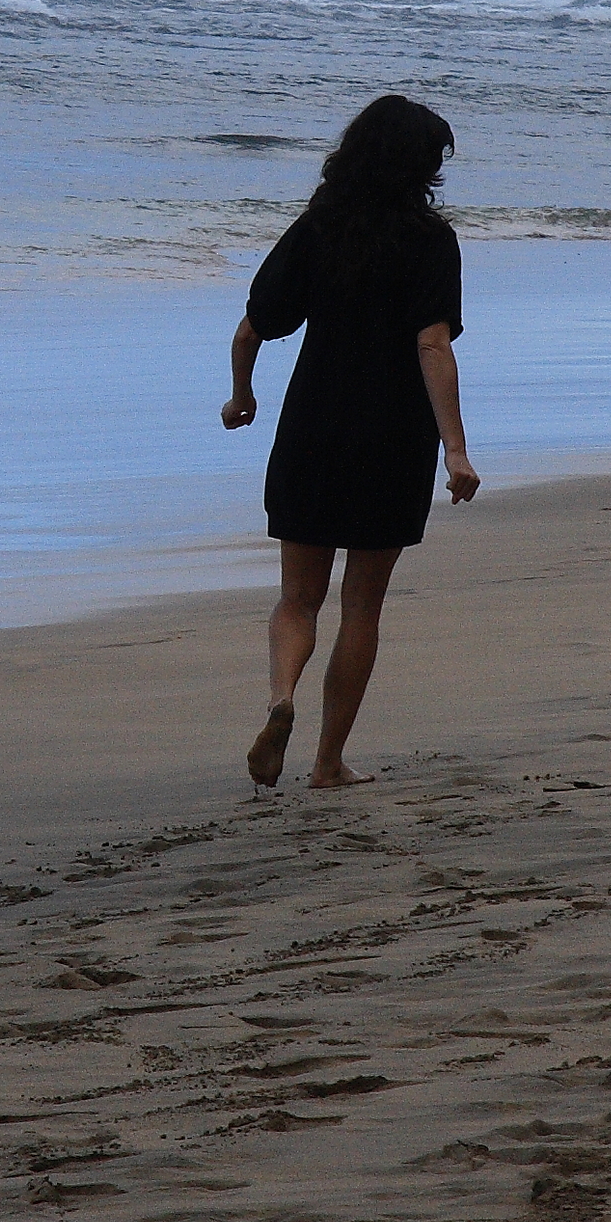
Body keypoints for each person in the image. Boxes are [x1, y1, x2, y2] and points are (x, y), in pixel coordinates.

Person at [221, 94, 478, 791]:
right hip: (393, 439)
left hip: (314, 427)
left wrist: (241, 394)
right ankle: (328, 763)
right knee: (362, 605)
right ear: (421, 168)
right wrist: (455, 448)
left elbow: (252, 328)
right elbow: (432, 344)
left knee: (297, 599)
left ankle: (281, 701)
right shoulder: (432, 241)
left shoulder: (319, 229)